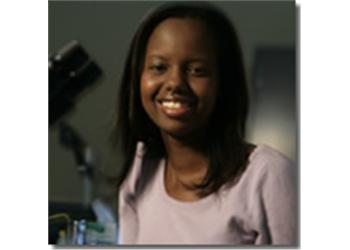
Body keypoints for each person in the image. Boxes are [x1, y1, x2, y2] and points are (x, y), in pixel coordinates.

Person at [113, 2, 297, 245]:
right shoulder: (140, 172)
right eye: (159, 67)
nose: (175, 83)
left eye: (197, 70)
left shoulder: (268, 175)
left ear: (224, 84)